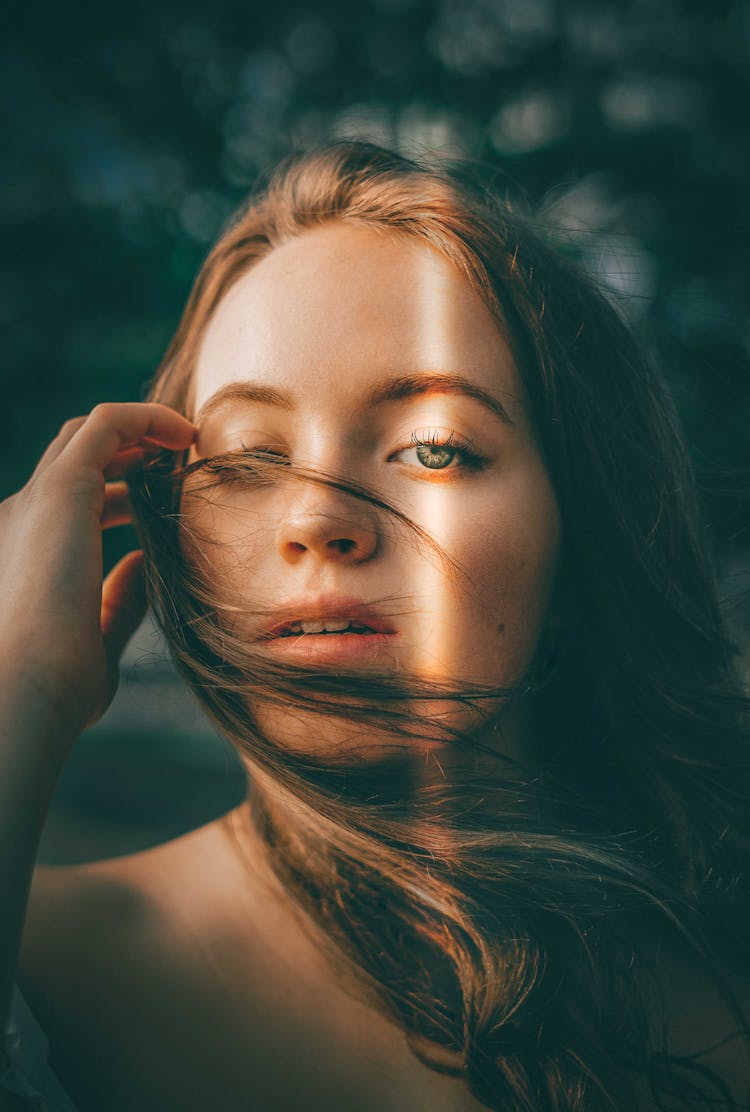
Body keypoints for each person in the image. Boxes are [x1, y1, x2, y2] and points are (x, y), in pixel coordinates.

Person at [1, 139, 749, 1112]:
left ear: (585, 533)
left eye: (433, 448)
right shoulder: (36, 963)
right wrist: (18, 685)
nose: (314, 519)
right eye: (241, 459)